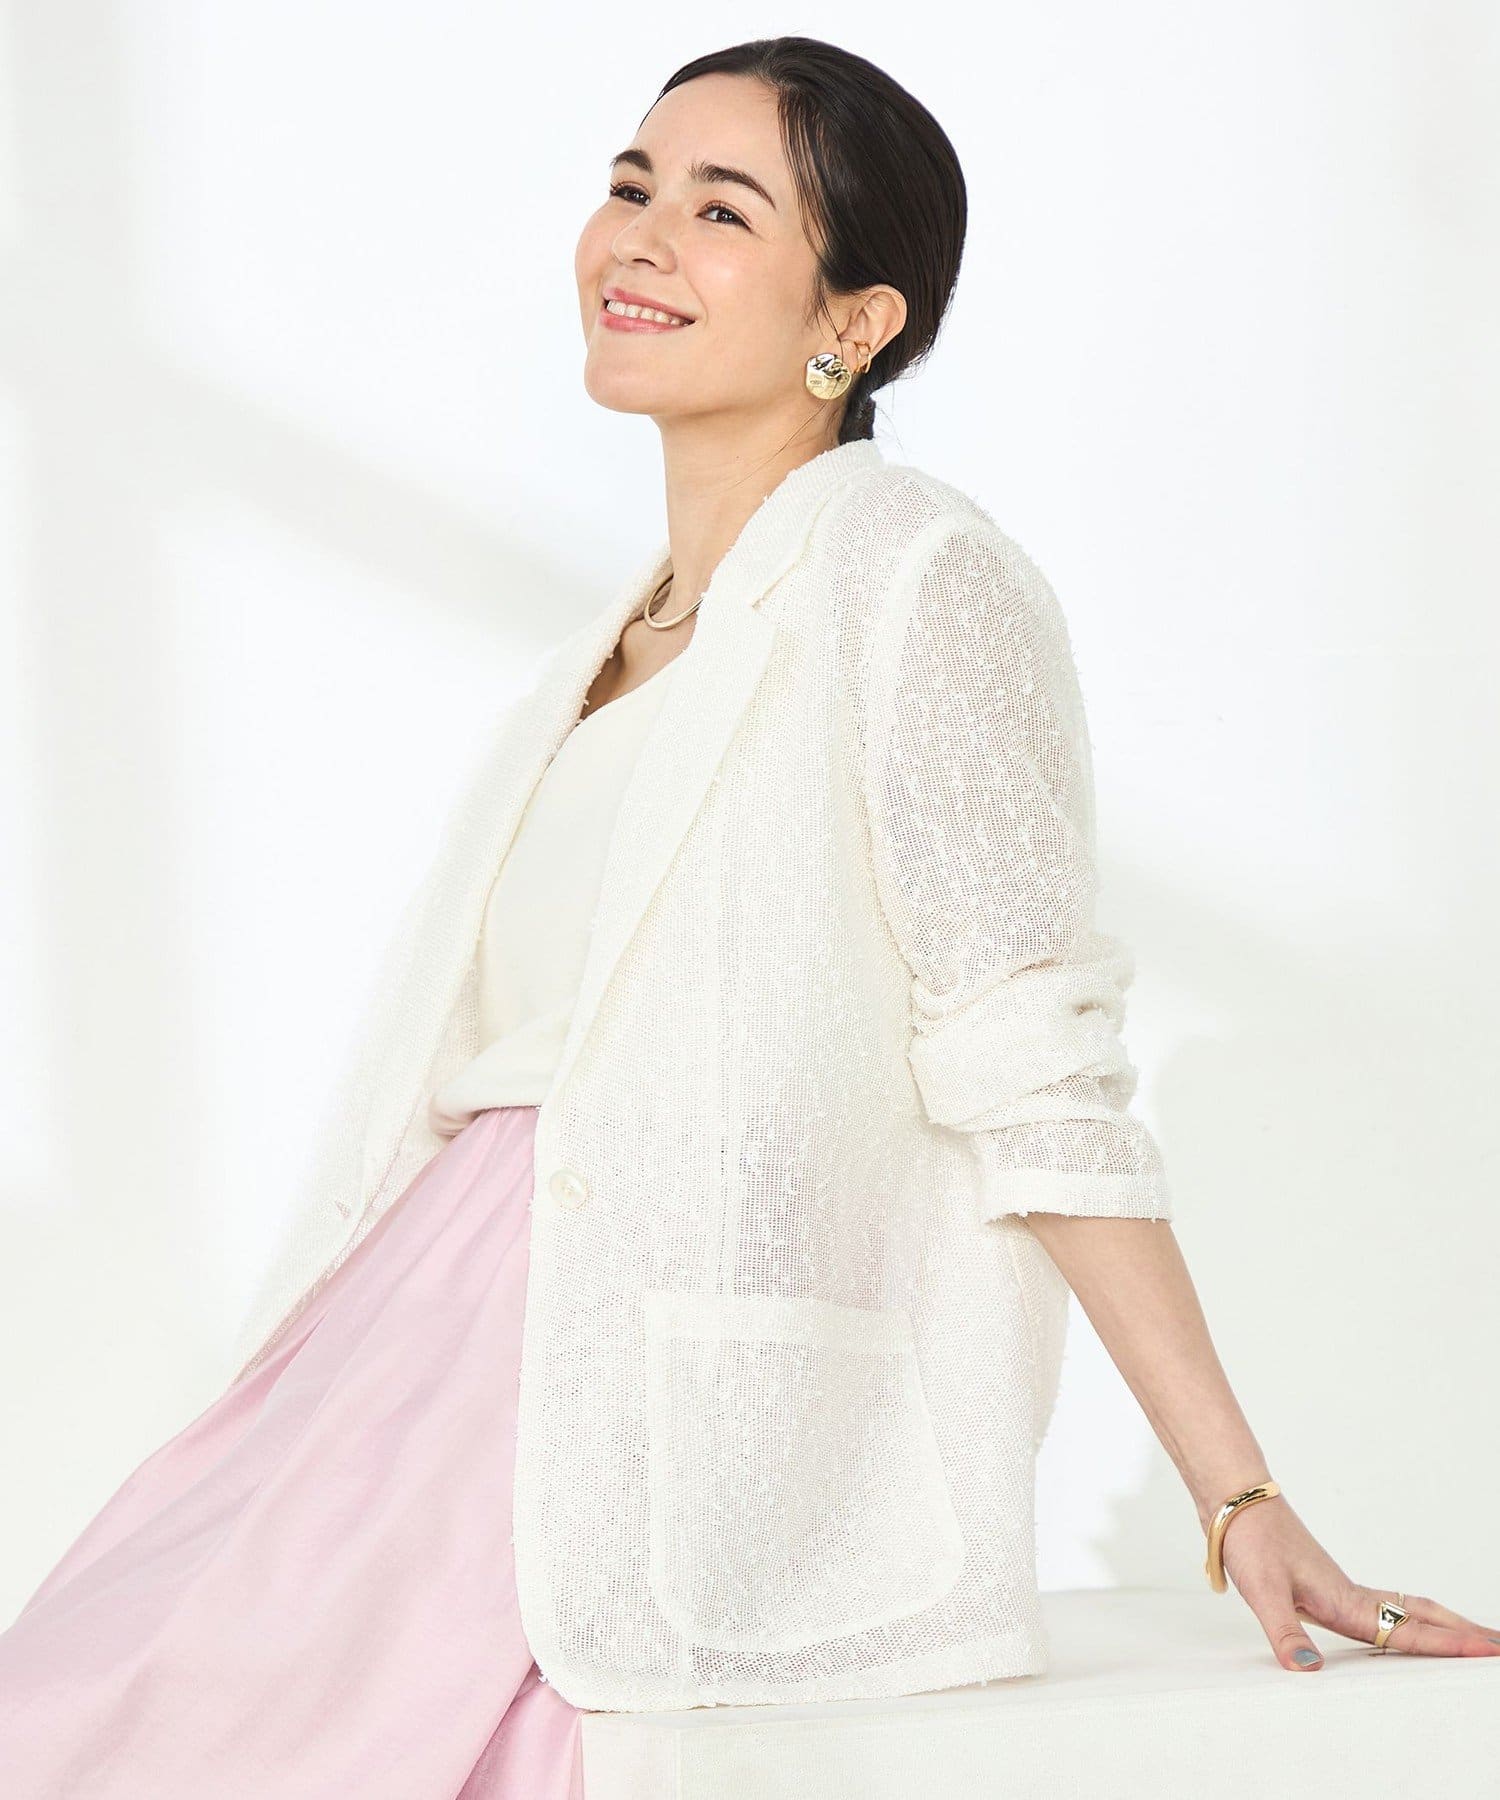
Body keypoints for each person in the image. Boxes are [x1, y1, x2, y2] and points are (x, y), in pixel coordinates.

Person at [4, 31, 1497, 1800]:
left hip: (599, 1376)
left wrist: (1236, 1495)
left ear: (854, 321)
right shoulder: (609, 653)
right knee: (99, 1701)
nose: (640, 238)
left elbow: (1030, 1060)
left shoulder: (914, 575)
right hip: (409, 1340)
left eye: (723, 210)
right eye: (630, 185)